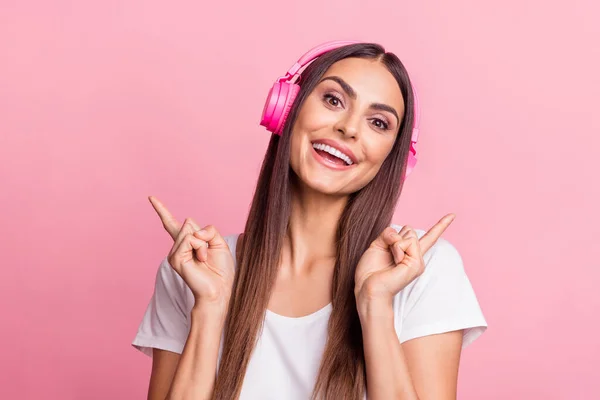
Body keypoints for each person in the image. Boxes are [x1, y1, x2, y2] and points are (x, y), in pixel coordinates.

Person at [132, 41, 487, 400]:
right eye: (333, 100)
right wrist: (209, 307)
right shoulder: (197, 271)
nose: (349, 129)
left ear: (393, 157)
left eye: (378, 122)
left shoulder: (422, 269)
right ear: (286, 109)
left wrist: (375, 305)